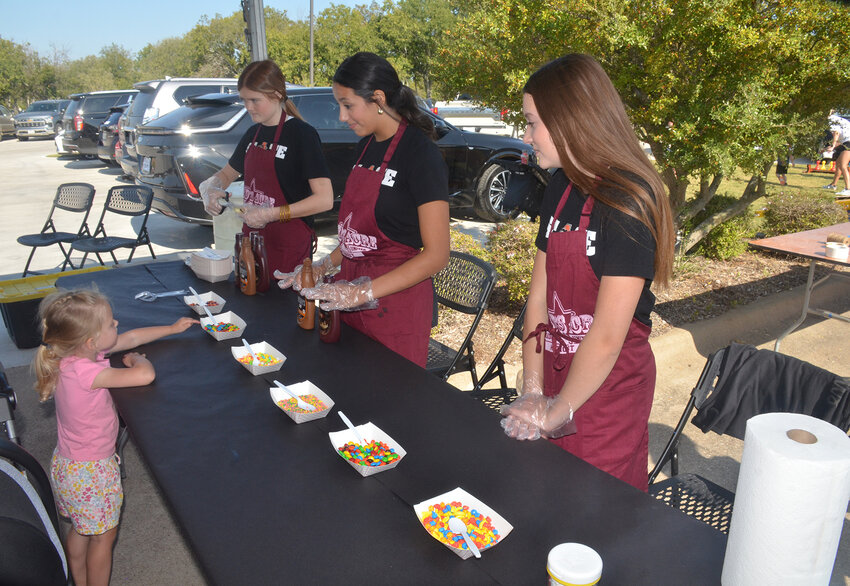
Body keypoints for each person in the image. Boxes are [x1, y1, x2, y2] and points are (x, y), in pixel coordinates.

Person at [499, 54, 675, 492]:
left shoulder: (627, 203)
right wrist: (534, 388)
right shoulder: (560, 186)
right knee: (545, 494)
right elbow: (538, 298)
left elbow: (608, 335)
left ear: (569, 121)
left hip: (607, 392)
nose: (526, 136)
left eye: (532, 122)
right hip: (557, 366)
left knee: (596, 509)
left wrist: (558, 412)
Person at [277, 52, 450, 366]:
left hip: (395, 309)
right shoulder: (366, 146)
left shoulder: (420, 154)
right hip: (350, 297)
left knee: (388, 406)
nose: (343, 117)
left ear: (378, 99)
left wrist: (363, 292)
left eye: (347, 105)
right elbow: (358, 234)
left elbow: (437, 255)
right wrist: (323, 266)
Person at [33, 289, 197, 586]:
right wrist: (136, 361)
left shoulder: (71, 356)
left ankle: (78, 580)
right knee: (103, 540)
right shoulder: (88, 372)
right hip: (92, 473)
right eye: (110, 324)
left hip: (69, 466)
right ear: (91, 341)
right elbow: (144, 376)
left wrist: (172, 328)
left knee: (82, 529)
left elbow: (131, 337)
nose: (117, 324)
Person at [200, 60, 333, 273]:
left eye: (254, 100)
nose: (248, 107)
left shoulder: (302, 135)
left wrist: (270, 214)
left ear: (277, 94)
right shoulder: (252, 135)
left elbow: (324, 200)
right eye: (244, 100)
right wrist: (211, 188)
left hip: (289, 245)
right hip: (252, 244)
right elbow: (227, 173)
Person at [824, 111, 850, 196]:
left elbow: (836, 133)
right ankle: (833, 184)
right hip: (846, 142)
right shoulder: (837, 119)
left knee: (843, 165)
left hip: (848, 143)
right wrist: (832, 147)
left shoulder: (831, 120)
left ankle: (848, 189)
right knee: (838, 163)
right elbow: (841, 138)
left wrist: (833, 145)